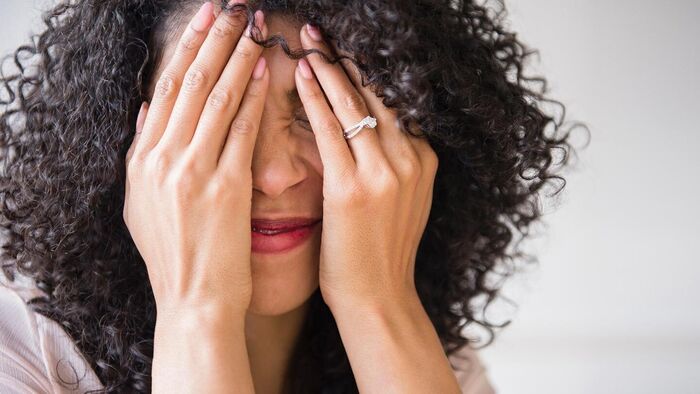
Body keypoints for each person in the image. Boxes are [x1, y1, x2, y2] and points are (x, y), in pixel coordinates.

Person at [0, 0, 581, 392]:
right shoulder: (19, 348)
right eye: (219, 120)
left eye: (324, 114)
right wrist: (197, 308)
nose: (274, 177)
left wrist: (378, 303)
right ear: (120, 141)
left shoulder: (425, 351)